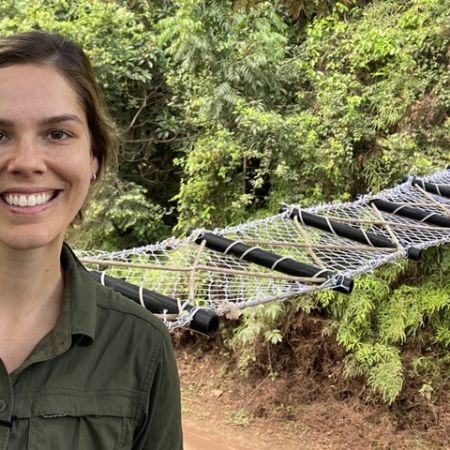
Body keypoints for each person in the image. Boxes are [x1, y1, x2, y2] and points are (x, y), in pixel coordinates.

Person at [0, 30, 183, 449]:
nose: (27, 162)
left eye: (58, 134)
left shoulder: (140, 348)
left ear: (94, 160)